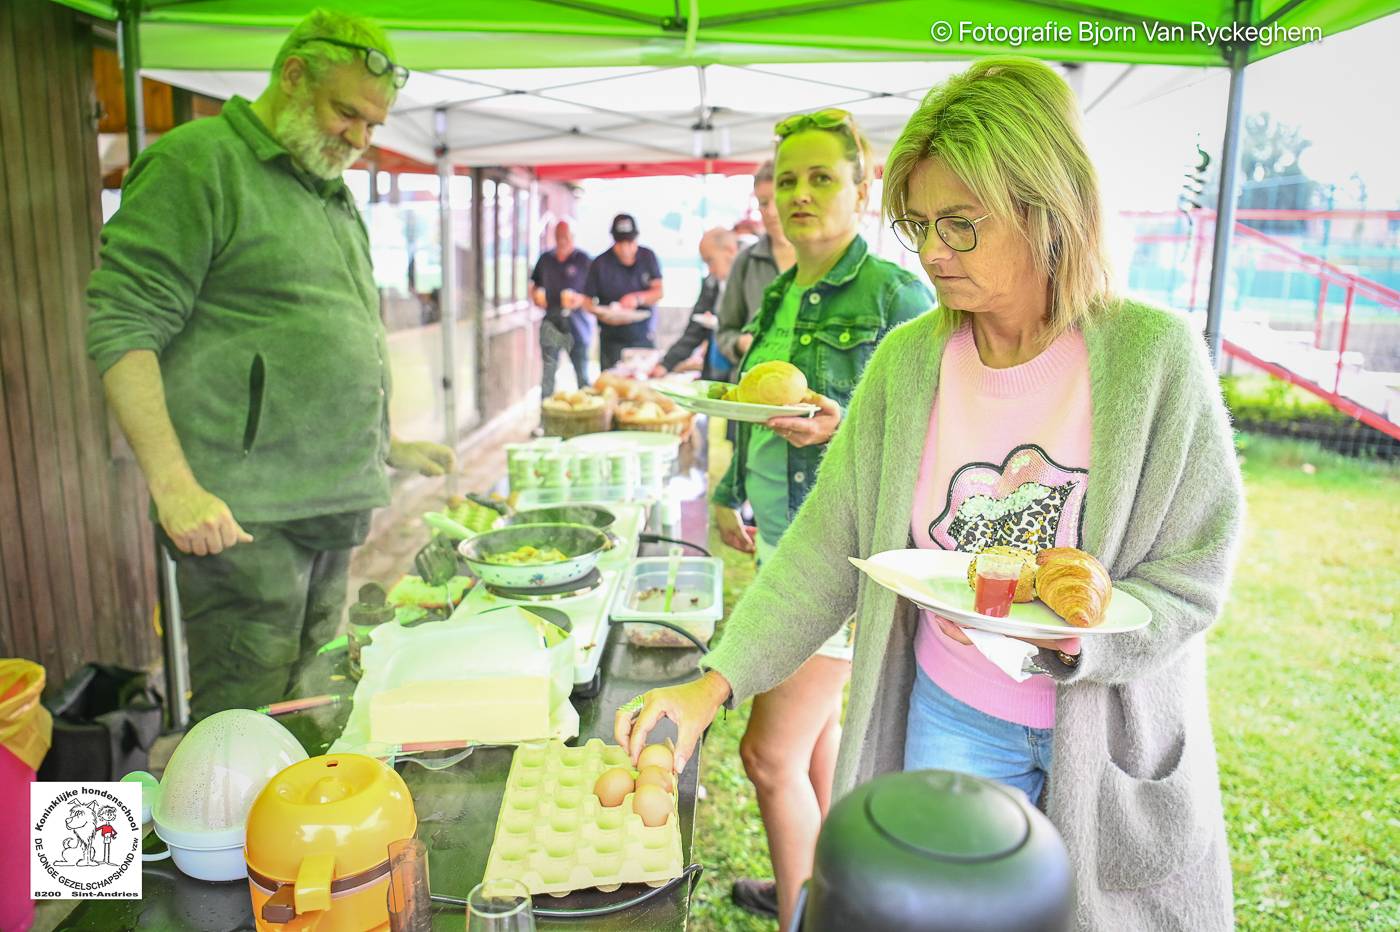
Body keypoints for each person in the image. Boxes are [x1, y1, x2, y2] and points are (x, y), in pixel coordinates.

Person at [618, 58, 1244, 932]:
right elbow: (820, 549)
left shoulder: (1155, 360)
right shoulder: (911, 363)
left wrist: (1089, 630)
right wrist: (709, 687)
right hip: (958, 718)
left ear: (1050, 213)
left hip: (1111, 734)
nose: (933, 253)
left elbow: (1195, 573)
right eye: (919, 225)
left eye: (961, 225)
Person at [86, 9, 455, 721]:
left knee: (313, 700)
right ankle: (228, 833)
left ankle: (297, 830)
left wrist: (387, 445)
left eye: (374, 125)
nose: (360, 137)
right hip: (245, 516)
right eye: (345, 112)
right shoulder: (199, 163)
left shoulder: (330, 192)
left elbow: (329, 333)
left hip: (332, 501)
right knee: (245, 714)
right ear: (291, 76)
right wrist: (175, 485)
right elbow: (122, 321)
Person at [717, 111, 935, 927]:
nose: (799, 194)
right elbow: (755, 403)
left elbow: (933, 438)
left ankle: (804, 915)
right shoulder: (779, 287)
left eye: (821, 177)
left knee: (765, 756)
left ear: (862, 187)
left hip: (839, 564)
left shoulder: (897, 293)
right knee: (811, 744)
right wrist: (735, 492)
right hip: (780, 541)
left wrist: (842, 422)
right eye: (786, 178)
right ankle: (823, 880)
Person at [714, 160, 797, 372]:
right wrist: (740, 343)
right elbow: (725, 331)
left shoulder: (820, 259)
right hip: (754, 385)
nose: (770, 211)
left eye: (777, 201)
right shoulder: (746, 261)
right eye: (763, 203)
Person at [650, 227, 739, 381]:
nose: (709, 268)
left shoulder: (751, 282)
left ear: (730, 251)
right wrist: (666, 364)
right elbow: (694, 331)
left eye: (710, 260)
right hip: (714, 371)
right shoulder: (710, 284)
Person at [583, 213, 664, 371]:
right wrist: (603, 314)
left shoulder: (648, 257)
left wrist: (638, 299)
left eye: (630, 242)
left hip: (642, 335)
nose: (625, 248)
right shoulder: (600, 263)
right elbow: (587, 301)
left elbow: (659, 291)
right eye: (620, 243)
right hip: (611, 337)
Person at [530, 220, 593, 395]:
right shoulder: (545, 259)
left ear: (572, 237)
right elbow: (534, 285)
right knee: (548, 375)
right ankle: (546, 418)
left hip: (577, 324)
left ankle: (587, 416)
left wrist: (579, 300)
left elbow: (594, 297)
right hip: (551, 321)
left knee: (582, 375)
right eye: (558, 237)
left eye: (565, 237)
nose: (562, 241)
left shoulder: (584, 260)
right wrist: (536, 296)